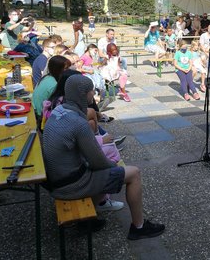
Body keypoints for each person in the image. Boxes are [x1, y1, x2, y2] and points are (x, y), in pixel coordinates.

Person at [41, 74, 164, 240]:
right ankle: (139, 227)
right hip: (70, 185)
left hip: (56, 180)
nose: (94, 94)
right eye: (92, 91)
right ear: (84, 94)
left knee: (108, 171)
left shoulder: (59, 111)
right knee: (133, 173)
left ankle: (89, 217)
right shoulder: (78, 123)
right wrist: (119, 170)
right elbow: (98, 162)